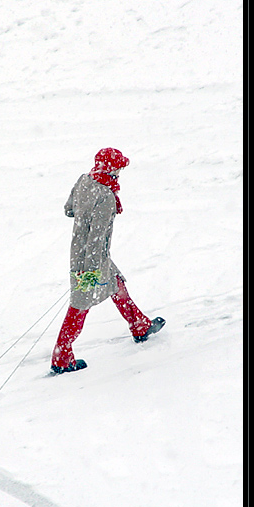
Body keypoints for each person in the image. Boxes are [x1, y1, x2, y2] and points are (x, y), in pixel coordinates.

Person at [51, 147, 165, 374]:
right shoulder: (106, 196)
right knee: (79, 306)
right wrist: (90, 271)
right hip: (92, 260)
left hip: (80, 252)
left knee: (117, 284)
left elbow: (68, 209)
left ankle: (139, 325)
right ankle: (62, 356)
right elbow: (97, 237)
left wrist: (84, 214)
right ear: (112, 168)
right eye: (119, 167)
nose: (121, 171)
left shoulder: (84, 180)